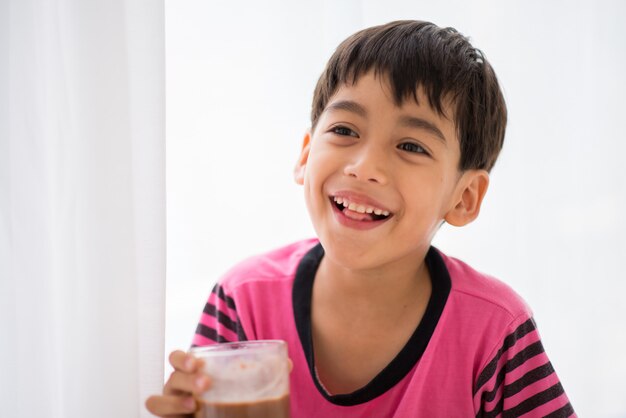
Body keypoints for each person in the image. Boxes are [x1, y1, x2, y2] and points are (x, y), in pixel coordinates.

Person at [146, 20, 575, 417]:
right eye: (345, 131)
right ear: (305, 154)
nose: (364, 166)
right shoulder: (243, 300)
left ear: (464, 198)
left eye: (411, 146)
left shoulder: (495, 331)